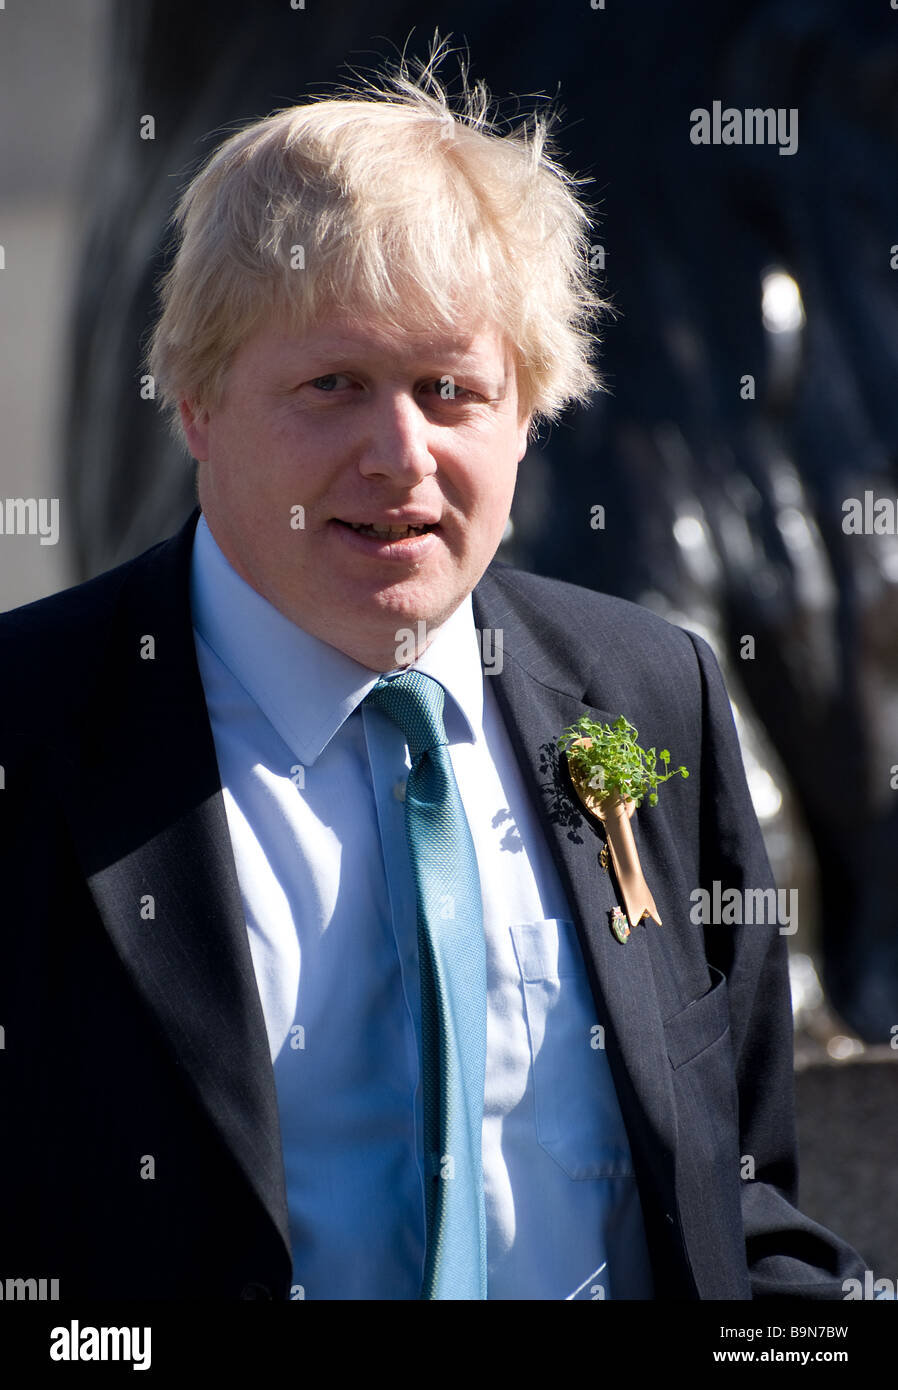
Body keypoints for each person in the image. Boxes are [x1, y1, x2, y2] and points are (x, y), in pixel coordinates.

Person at [0, 49, 868, 1300]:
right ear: (196, 405)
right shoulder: (32, 728)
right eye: (333, 385)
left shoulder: (653, 693)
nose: (399, 454)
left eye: (450, 389)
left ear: (529, 413)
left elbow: (742, 1220)